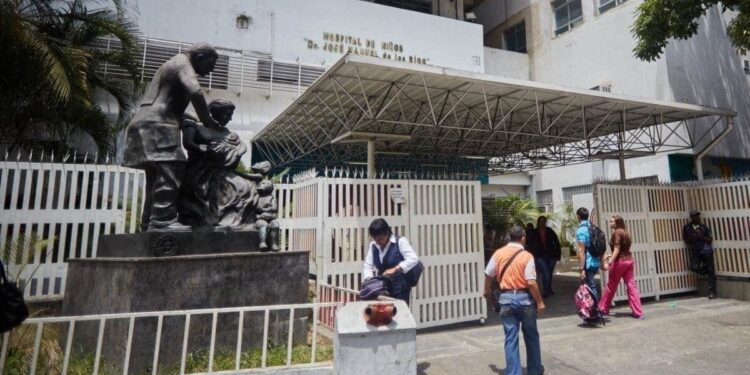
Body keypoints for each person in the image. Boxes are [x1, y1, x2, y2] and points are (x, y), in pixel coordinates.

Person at [122, 43, 220, 231]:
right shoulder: (182, 63)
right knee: (173, 167)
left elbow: (171, 102)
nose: (211, 71)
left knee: (156, 177)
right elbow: (196, 91)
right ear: (199, 57)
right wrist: (207, 121)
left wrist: (192, 120)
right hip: (159, 124)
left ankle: (149, 223)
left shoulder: (169, 65)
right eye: (210, 64)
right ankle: (162, 220)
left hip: (143, 122)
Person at [179, 99, 261, 228]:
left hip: (222, 171)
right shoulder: (196, 125)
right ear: (215, 112)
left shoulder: (225, 132)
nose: (230, 118)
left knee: (247, 188)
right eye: (227, 114)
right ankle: (213, 220)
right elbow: (188, 143)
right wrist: (205, 149)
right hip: (201, 172)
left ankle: (239, 223)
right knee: (209, 191)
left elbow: (242, 144)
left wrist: (238, 152)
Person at [483, 225, 545, 375]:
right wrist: (540, 302)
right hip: (525, 300)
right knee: (531, 335)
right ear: (523, 237)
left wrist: (486, 290)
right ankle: (535, 369)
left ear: (509, 237)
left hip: (506, 299)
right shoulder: (527, 256)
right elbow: (531, 282)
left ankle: (513, 372)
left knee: (510, 338)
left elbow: (488, 274)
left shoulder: (499, 254)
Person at [362, 218, 419, 303]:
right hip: (382, 289)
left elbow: (413, 259)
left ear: (387, 233)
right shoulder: (373, 245)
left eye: (381, 239)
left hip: (400, 289)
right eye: (375, 240)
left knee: (398, 314)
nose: (378, 242)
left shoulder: (400, 242)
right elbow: (367, 265)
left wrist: (396, 268)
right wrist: (370, 281)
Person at [598, 215, 644, 319]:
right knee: (632, 286)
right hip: (629, 261)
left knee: (611, 286)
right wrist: (611, 255)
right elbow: (622, 249)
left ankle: (603, 309)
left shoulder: (617, 233)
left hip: (620, 262)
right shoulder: (625, 232)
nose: (610, 223)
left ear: (617, 223)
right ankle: (638, 312)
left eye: (612, 222)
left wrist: (610, 261)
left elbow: (617, 250)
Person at [683, 210, 716, 299]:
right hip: (696, 251)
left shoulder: (703, 227)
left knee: (711, 271)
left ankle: (711, 292)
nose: (697, 218)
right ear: (691, 218)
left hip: (706, 250)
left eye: (698, 216)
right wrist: (692, 237)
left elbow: (710, 240)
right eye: (695, 216)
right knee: (693, 267)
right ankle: (706, 270)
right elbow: (686, 241)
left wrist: (702, 236)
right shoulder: (687, 228)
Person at [576, 207, 602, 313]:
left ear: (578, 217)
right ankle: (592, 309)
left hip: (588, 263)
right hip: (596, 261)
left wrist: (581, 269)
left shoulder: (581, 230)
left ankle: (594, 310)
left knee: (590, 287)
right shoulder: (594, 227)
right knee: (590, 286)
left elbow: (581, 250)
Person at [530, 216, 561, 298]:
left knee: (549, 273)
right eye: (541, 221)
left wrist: (558, 254)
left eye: (544, 221)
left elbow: (557, 242)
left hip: (551, 255)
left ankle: (548, 288)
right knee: (545, 272)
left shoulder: (550, 231)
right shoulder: (534, 232)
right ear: (538, 222)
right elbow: (530, 244)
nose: (542, 223)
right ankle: (545, 291)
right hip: (540, 255)